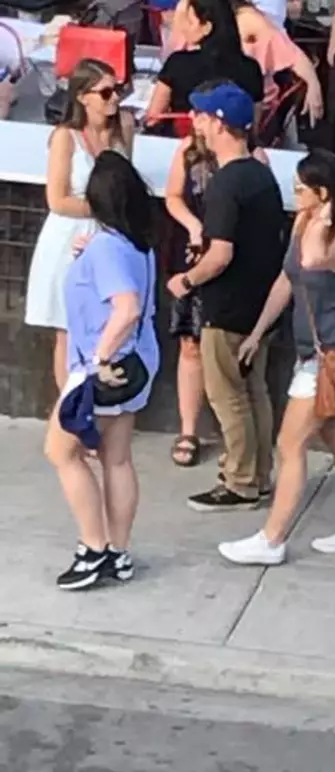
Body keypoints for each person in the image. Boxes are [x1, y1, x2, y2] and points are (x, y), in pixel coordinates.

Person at [217, 150, 335, 565]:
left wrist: (320, 220)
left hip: (332, 356)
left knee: (290, 443)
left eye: (301, 188)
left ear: (322, 192)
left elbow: (313, 260)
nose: (295, 194)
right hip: (312, 353)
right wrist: (257, 331)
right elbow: (288, 278)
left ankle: (272, 538)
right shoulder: (304, 222)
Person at [43, 153, 160, 591]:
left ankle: (92, 548)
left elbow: (125, 308)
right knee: (117, 458)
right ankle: (117, 552)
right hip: (135, 364)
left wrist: (97, 360)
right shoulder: (135, 244)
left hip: (101, 365)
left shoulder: (109, 246)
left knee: (62, 452)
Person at [167, 80, 285, 510]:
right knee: (255, 391)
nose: (195, 121)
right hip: (260, 303)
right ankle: (259, 475)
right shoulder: (259, 174)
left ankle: (238, 481)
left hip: (227, 304)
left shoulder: (226, 183)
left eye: (201, 114)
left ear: (219, 124)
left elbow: (219, 255)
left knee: (228, 395)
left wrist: (186, 280)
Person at [25, 60, 136, 391]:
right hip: (69, 237)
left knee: (106, 323)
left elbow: (126, 182)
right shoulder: (65, 137)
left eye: (117, 90)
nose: (113, 98)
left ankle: (99, 401)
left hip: (109, 238)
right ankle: (71, 407)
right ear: (83, 97)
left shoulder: (123, 129)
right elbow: (57, 199)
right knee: (69, 327)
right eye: (105, 92)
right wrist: (103, 209)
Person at [167, 0, 324, 124]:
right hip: (202, 101)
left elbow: (293, 55)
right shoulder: (192, 12)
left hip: (246, 112)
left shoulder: (250, 21)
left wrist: (313, 84)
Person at [147, 0, 264, 123]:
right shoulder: (251, 68)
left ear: (207, 27)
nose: (184, 28)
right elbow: (253, 125)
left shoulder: (177, 63)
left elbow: (152, 118)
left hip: (180, 139)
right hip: (234, 140)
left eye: (190, 22)